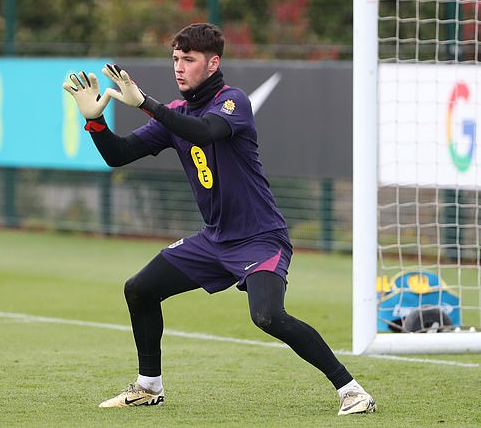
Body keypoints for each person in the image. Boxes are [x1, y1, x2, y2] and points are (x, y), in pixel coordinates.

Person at [62, 22, 376, 416]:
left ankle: (351, 391)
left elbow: (205, 131)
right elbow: (118, 155)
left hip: (261, 238)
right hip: (214, 241)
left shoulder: (233, 102)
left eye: (188, 60)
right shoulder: (173, 113)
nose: (179, 67)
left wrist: (146, 103)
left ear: (213, 64)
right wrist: (94, 122)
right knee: (139, 289)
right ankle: (148, 387)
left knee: (267, 316)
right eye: (175, 58)